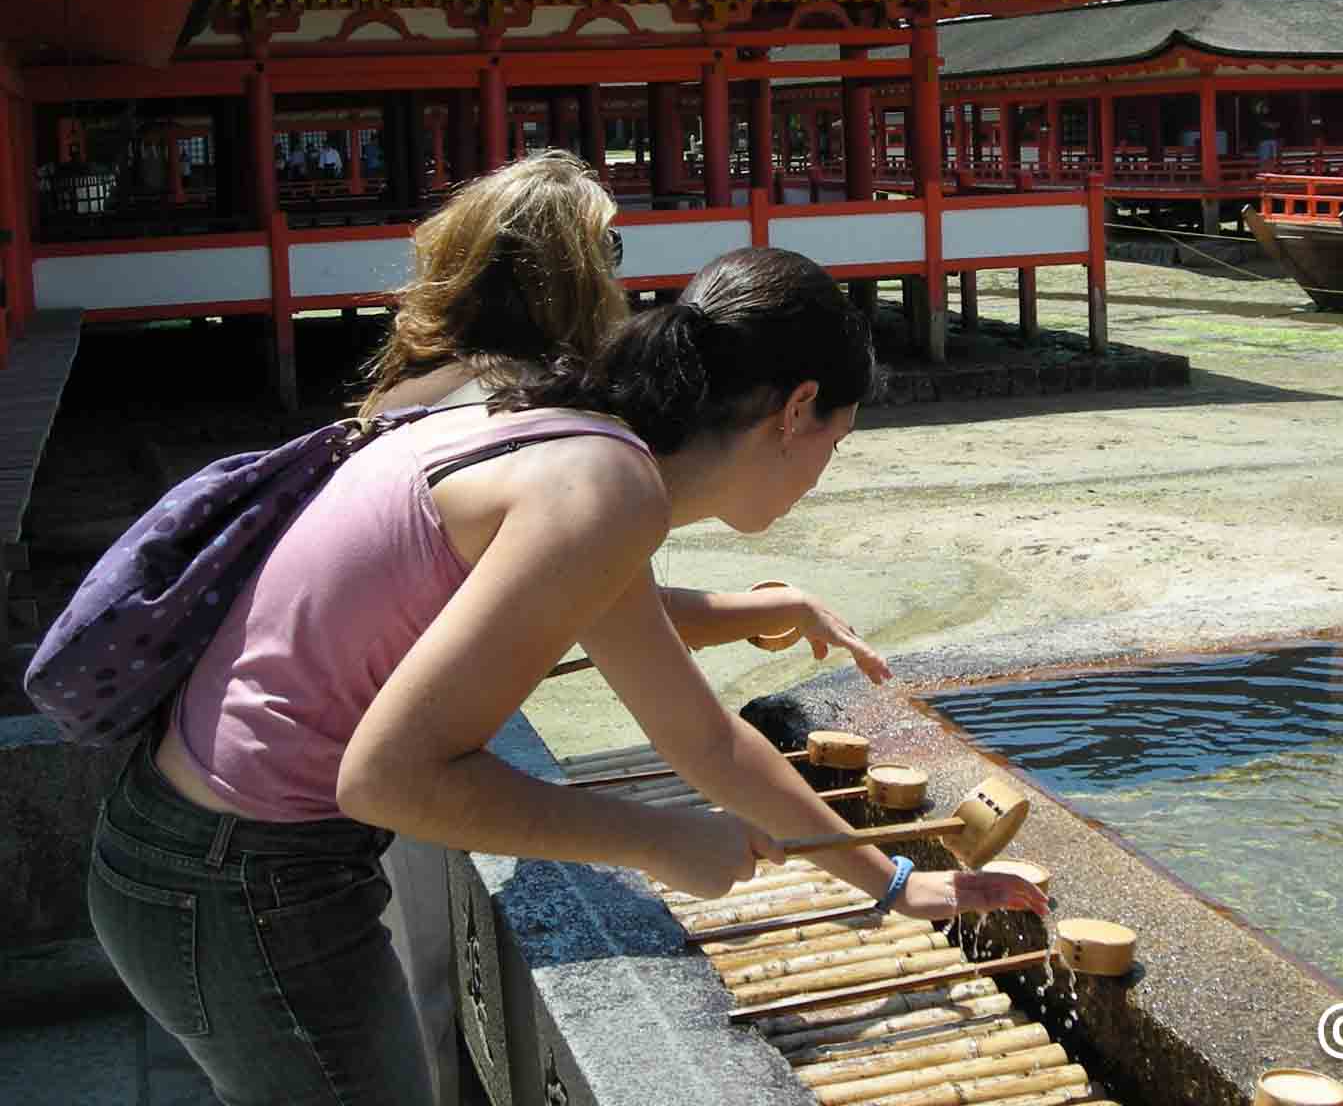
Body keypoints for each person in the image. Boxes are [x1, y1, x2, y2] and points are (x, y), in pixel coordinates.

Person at [88, 246, 1050, 1106]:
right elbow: (388, 778)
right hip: (240, 878)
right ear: (798, 411)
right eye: (835, 442)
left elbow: (704, 738)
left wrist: (889, 886)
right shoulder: (603, 490)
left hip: (197, 855)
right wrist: (658, 839)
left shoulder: (576, 442)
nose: (821, 474)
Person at [350, 152, 884, 1105]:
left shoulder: (477, 402)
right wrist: (658, 838)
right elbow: (698, 735)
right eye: (609, 254)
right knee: (420, 1034)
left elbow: (578, 604)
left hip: (254, 817)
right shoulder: (574, 457)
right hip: (290, 836)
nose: (624, 285)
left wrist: (763, 610)